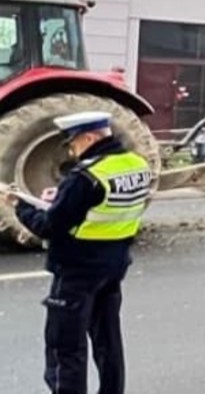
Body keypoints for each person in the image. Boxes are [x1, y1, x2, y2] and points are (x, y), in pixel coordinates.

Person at [3, 111, 154, 394]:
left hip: (76, 272)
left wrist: (18, 205)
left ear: (89, 137)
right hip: (113, 268)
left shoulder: (85, 176)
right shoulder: (137, 165)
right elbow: (101, 208)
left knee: (65, 348)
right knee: (108, 343)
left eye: (73, 143)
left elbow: (49, 226)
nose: (71, 150)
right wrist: (61, 197)